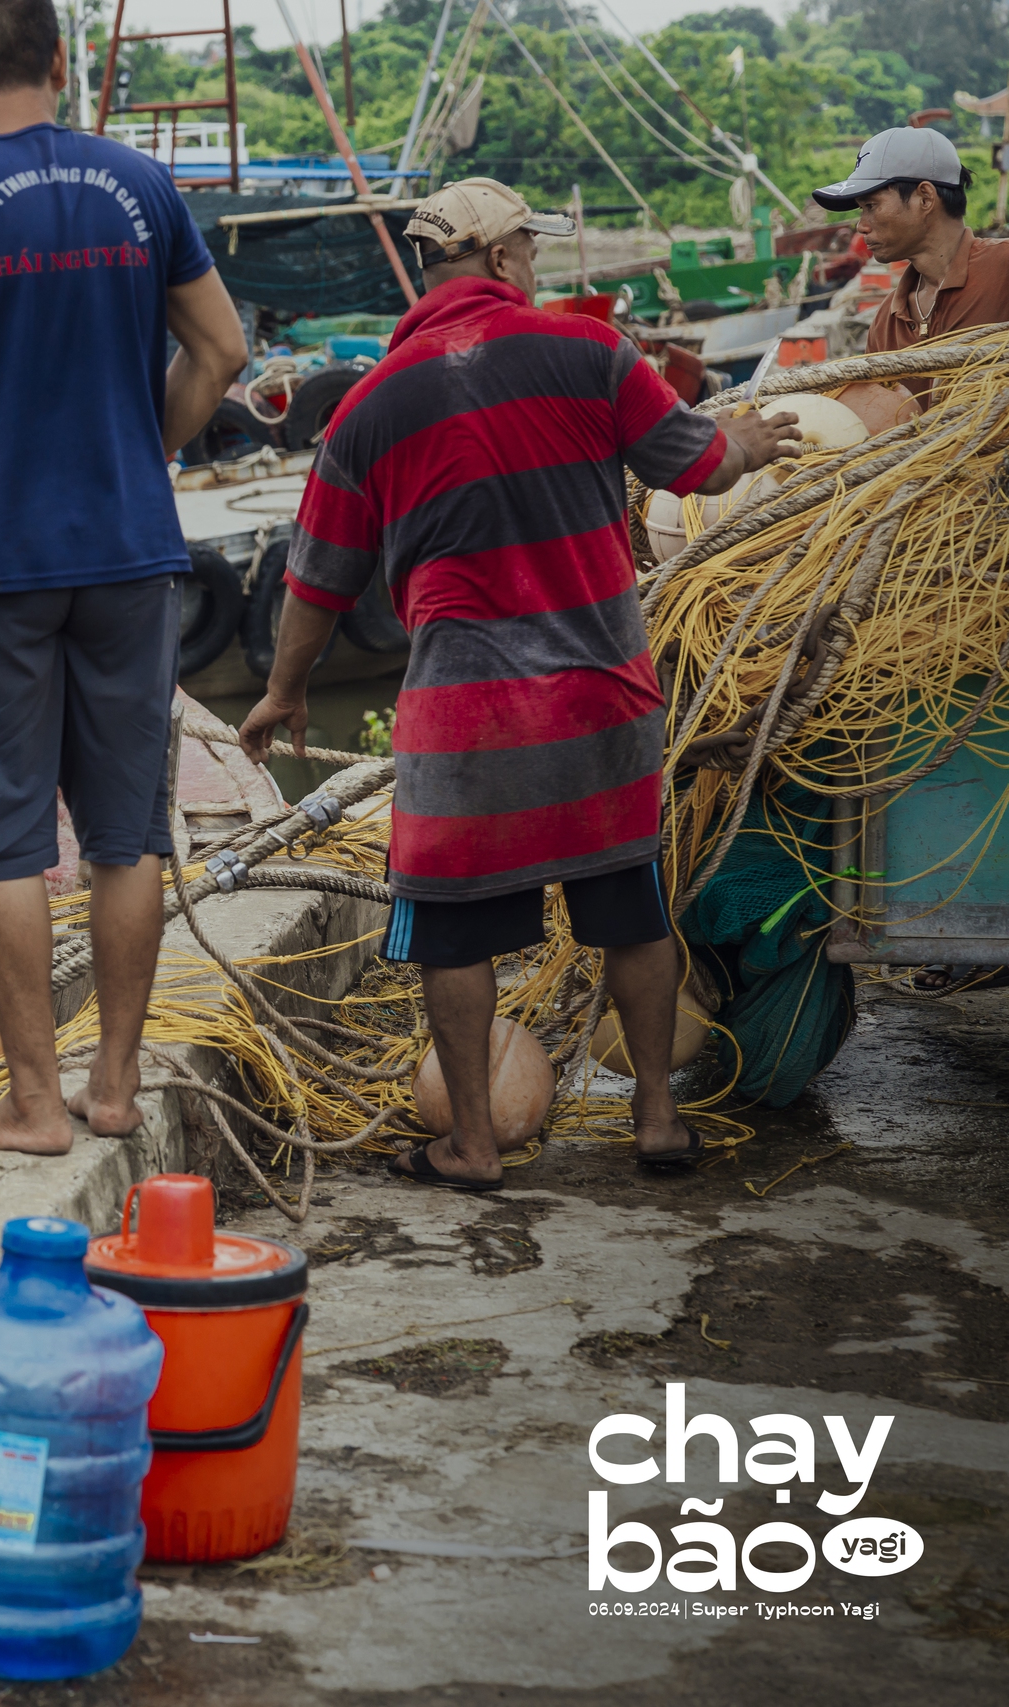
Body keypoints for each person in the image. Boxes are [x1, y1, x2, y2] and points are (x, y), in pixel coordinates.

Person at [238, 177, 801, 1189]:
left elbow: (316, 578)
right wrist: (750, 442)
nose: (535, 269)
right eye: (530, 254)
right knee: (629, 907)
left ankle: (472, 1144)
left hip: (465, 723)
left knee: (454, 930)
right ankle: (658, 1123)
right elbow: (700, 467)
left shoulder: (366, 407)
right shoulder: (590, 355)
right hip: (600, 699)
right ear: (502, 261)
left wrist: (283, 693)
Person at [0, 0, 249, 1155]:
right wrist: (145, 446)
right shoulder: (141, 184)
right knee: (126, 834)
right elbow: (221, 350)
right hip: (129, 553)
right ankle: (112, 1089)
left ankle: (33, 1102)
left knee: (4, 840)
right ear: (59, 62)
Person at [813, 127, 1009, 359]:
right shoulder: (887, 322)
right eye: (861, 209)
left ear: (925, 198)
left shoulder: (1003, 272)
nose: (861, 225)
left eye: (871, 206)